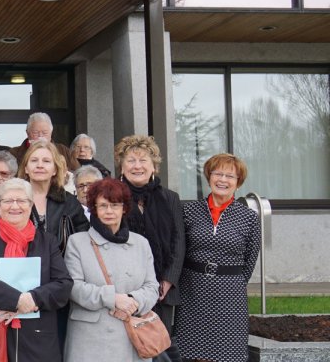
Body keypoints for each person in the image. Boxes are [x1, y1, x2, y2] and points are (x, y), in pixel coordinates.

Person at [0, 178, 73, 362]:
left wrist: (32, 299)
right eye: (8, 201)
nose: (14, 206)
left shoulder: (47, 241)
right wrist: (17, 300)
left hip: (39, 338)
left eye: (21, 201)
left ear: (31, 204)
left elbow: (63, 284)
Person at [175, 154, 261, 362]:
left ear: (238, 183)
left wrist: (233, 282)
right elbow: (179, 250)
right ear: (209, 177)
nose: (223, 180)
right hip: (192, 290)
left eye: (230, 176)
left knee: (227, 354)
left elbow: (250, 260)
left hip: (230, 295)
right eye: (218, 174)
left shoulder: (249, 217)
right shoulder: (189, 211)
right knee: (193, 353)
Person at [63, 178, 159, 362]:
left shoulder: (140, 243)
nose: (109, 211)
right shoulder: (78, 242)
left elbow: (152, 286)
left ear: (124, 208)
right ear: (94, 209)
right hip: (91, 339)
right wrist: (112, 298)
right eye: (103, 206)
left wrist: (133, 300)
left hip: (131, 335)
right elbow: (73, 287)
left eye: (114, 205)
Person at [115, 135, 185, 361]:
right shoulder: (114, 197)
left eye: (143, 160)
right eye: (131, 161)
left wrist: (167, 279)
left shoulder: (170, 198)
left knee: (158, 348)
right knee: (127, 347)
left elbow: (178, 241)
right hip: (127, 287)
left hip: (162, 290)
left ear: (153, 166)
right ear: (122, 167)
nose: (137, 166)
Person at [17, 140, 89, 251]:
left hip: (62, 265)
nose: (40, 165)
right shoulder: (13, 200)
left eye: (46, 161)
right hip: (22, 265)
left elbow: (83, 240)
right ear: (26, 168)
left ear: (55, 169)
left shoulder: (69, 202)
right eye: (34, 160)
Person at [8, 113, 79, 171]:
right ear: (27, 133)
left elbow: (78, 173)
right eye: (35, 132)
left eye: (45, 133)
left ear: (51, 133)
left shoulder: (63, 151)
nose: (40, 136)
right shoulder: (14, 154)